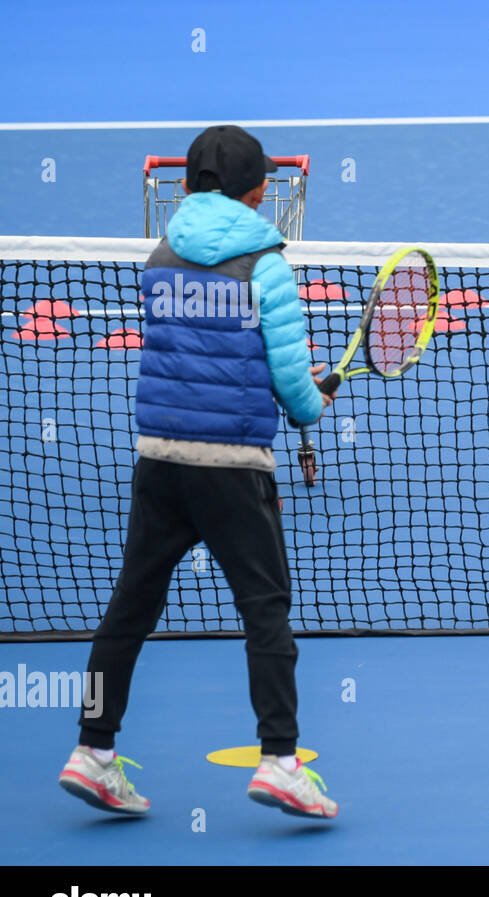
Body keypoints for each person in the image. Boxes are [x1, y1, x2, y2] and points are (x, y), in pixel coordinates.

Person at [58, 125, 340, 819]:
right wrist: (317, 396)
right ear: (258, 194)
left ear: (182, 187)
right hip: (234, 468)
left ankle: (91, 748)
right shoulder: (268, 264)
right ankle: (280, 761)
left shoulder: (159, 255)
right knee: (265, 613)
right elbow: (292, 389)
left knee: (127, 612)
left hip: (159, 462)